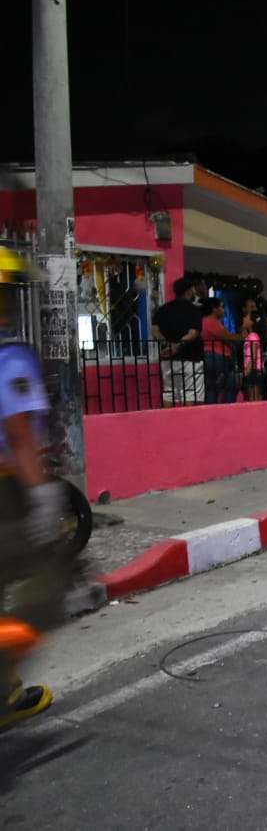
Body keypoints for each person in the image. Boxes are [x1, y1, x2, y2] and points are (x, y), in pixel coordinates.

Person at [0, 248, 66, 730]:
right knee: (49, 584)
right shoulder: (10, 357)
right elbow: (21, 433)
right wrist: (42, 497)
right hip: (8, 494)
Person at [151, 277, 206, 406]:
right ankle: (188, 424)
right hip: (190, 357)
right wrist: (177, 346)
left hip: (167, 357)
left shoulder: (162, 309)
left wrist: (166, 344)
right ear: (188, 291)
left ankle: (169, 424)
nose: (194, 292)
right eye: (193, 290)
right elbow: (193, 333)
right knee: (190, 393)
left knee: (169, 392)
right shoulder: (194, 310)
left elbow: (155, 330)